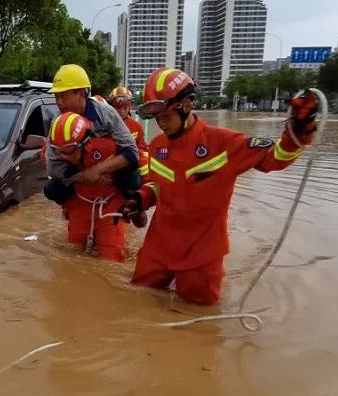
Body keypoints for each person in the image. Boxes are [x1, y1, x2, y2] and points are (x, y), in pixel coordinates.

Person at [118, 67, 319, 305]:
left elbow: (274, 158)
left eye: (167, 115)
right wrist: (140, 198)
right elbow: (158, 185)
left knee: (199, 321)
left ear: (188, 105)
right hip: (158, 247)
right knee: (137, 301)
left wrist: (298, 131)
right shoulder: (157, 146)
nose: (162, 122)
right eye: (156, 116)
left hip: (202, 253)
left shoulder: (224, 143)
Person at [44, 64, 146, 227]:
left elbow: (132, 152)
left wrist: (97, 170)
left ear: (81, 94)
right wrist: (85, 177)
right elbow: (53, 168)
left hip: (108, 168)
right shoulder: (58, 123)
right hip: (78, 170)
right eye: (56, 97)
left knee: (133, 179)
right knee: (51, 189)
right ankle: (69, 207)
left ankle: (133, 207)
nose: (59, 102)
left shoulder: (106, 113)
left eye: (63, 96)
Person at [47, 112, 127, 262]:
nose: (62, 157)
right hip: (79, 204)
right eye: (58, 151)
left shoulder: (110, 149)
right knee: (71, 258)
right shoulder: (53, 154)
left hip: (109, 207)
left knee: (111, 260)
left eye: (68, 151)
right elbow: (56, 176)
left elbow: (137, 164)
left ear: (86, 143)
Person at [107, 85, 150, 182]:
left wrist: (146, 180)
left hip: (129, 170)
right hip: (108, 168)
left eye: (125, 107)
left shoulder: (136, 126)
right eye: (118, 107)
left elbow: (142, 150)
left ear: (130, 105)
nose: (122, 111)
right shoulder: (104, 124)